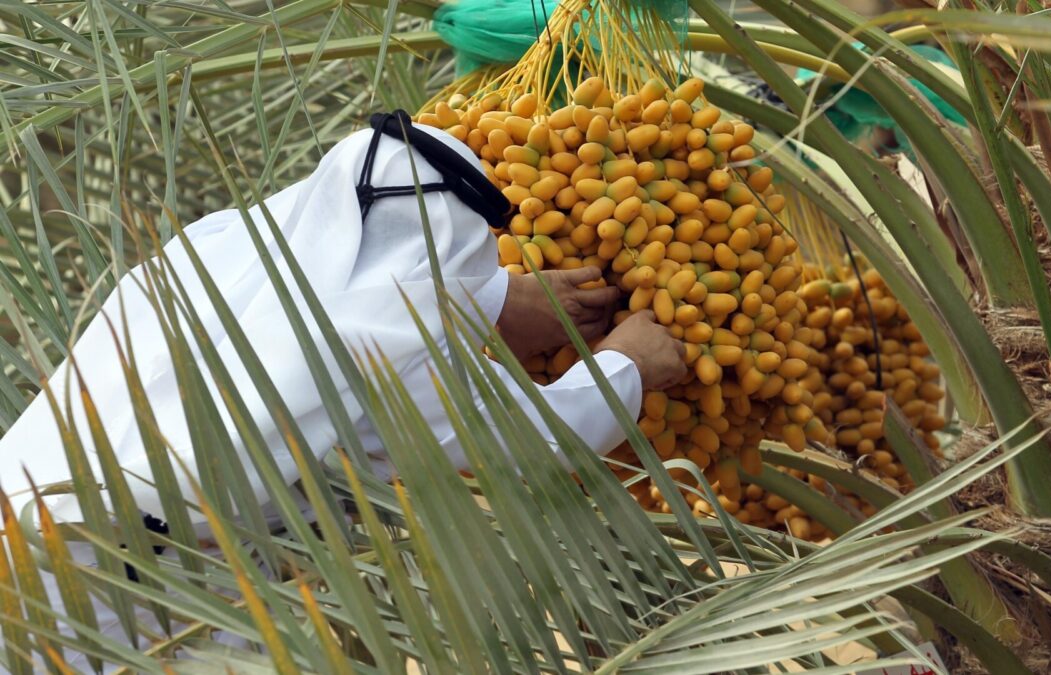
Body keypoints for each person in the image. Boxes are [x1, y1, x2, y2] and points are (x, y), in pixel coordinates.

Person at [0, 110, 686, 670]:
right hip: (98, 587)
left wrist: (490, 300)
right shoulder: (376, 352)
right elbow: (539, 439)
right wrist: (628, 364)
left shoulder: (218, 249)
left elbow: (368, 277)